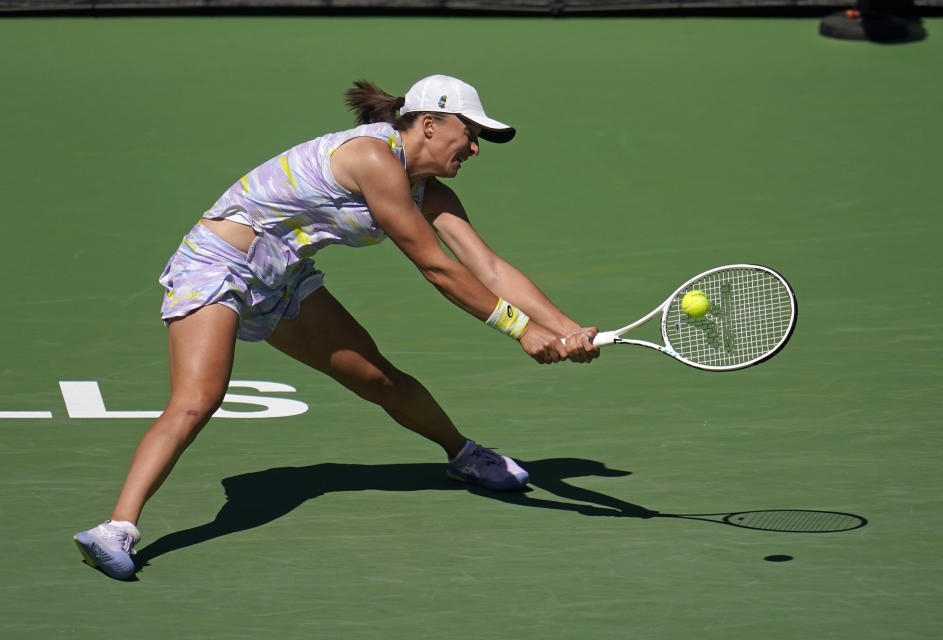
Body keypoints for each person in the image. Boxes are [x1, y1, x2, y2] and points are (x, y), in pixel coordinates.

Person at [73, 74, 600, 580]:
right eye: (472, 132)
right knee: (198, 398)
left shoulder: (430, 192)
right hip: (219, 265)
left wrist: (572, 330)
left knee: (377, 378)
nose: (476, 148)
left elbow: (489, 268)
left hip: (284, 276)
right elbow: (437, 267)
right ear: (432, 124)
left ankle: (463, 456)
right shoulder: (372, 157)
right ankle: (115, 529)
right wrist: (520, 330)